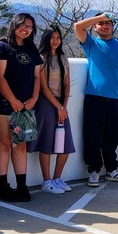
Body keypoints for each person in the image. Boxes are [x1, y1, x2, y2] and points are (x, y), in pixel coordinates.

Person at [73, 12, 118, 187]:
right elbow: (78, 27)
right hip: (94, 97)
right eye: (101, 23)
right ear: (95, 26)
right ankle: (93, 171)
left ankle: (111, 170)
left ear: (113, 26)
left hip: (115, 98)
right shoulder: (91, 43)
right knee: (93, 136)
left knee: (111, 137)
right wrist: (101, 15)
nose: (105, 26)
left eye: (108, 23)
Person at [0, 13, 43, 202]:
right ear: (14, 25)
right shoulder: (1, 46)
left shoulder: (31, 49)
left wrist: (34, 98)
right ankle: (1, 186)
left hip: (26, 105)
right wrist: (12, 100)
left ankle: (21, 187)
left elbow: (37, 76)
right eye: (22, 25)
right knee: (4, 144)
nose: (25, 29)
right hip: (3, 105)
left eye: (29, 26)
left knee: (20, 144)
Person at [30, 24, 76, 195]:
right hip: (46, 103)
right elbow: (43, 87)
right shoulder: (41, 58)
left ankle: (57, 178)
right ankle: (47, 181)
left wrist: (64, 106)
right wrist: (58, 107)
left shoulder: (63, 58)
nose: (55, 41)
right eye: (52, 37)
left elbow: (66, 84)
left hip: (60, 105)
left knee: (65, 145)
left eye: (58, 38)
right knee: (47, 143)